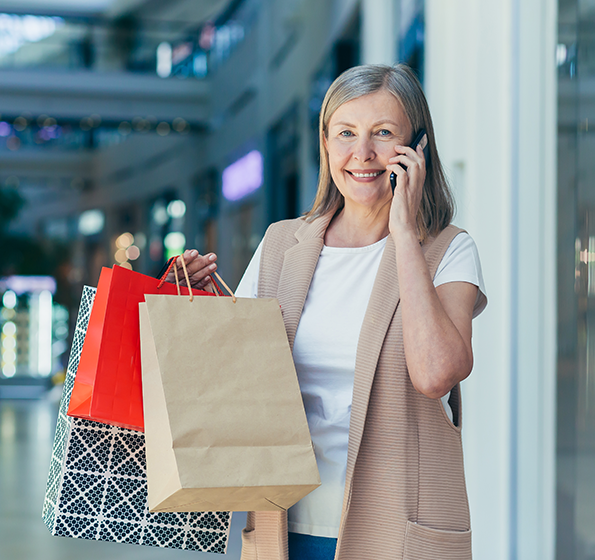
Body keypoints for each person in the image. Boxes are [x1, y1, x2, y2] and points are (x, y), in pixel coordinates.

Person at [170, 63, 486, 560]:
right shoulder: (281, 244)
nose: (362, 154)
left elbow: (436, 373)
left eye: (384, 134)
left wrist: (404, 231)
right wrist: (190, 304)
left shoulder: (447, 251)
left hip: (397, 532)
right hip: (285, 525)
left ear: (418, 147)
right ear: (325, 144)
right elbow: (237, 381)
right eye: (346, 133)